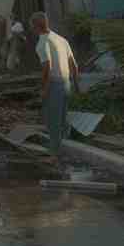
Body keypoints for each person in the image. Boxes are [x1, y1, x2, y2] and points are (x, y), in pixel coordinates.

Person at [32, 12, 79, 160]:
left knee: (52, 121)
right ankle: (68, 152)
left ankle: (54, 155)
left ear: (35, 27)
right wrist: (76, 85)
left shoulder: (42, 43)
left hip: (54, 85)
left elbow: (47, 67)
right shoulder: (61, 39)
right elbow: (74, 65)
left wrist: (44, 89)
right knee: (63, 119)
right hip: (67, 83)